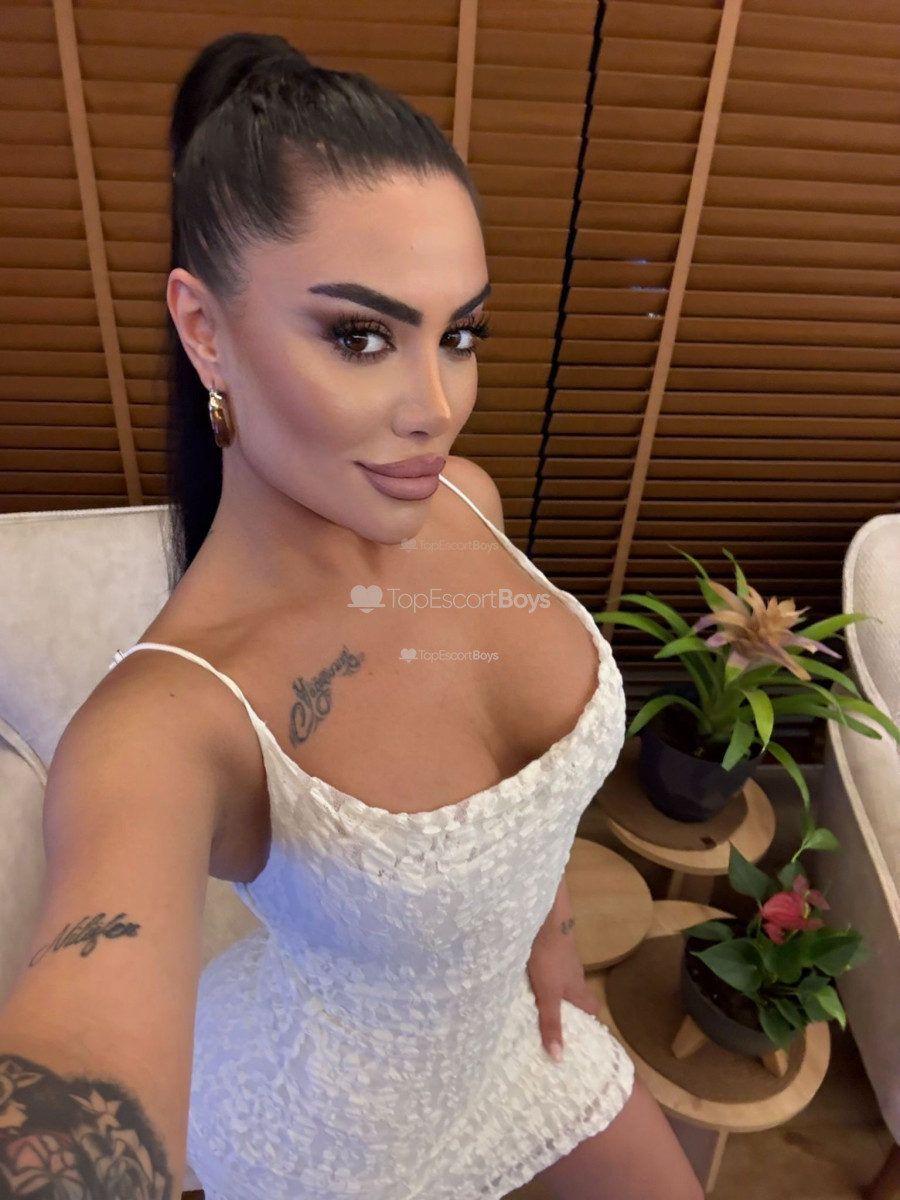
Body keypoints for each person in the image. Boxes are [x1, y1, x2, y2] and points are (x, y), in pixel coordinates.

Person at [0, 32, 703, 1200]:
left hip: (522, 1040)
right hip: (323, 1145)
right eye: (361, 335)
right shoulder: (165, 726)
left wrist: (557, 959)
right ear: (205, 330)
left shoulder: (467, 503)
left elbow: (526, 830)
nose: (437, 407)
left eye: (459, 334)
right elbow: (79, 1069)